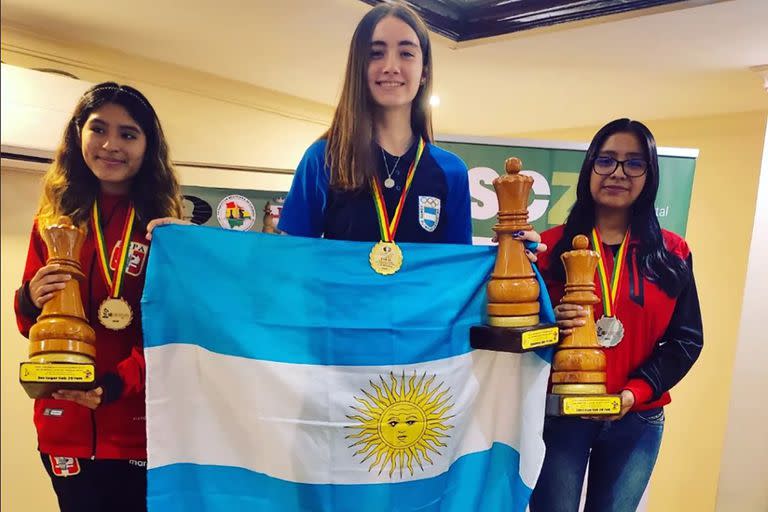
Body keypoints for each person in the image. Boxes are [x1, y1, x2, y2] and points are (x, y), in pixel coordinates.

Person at [14, 82, 182, 512]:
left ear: (148, 146)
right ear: (78, 134)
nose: (111, 145)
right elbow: (30, 328)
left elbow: (168, 335)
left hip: (135, 426)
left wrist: (112, 385)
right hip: (63, 426)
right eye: (98, 129)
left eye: (128, 134)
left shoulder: (162, 230)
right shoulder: (51, 223)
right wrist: (31, 298)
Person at [530, 118, 703, 512]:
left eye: (634, 163)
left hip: (636, 418)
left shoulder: (672, 254)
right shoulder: (548, 248)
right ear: (590, 167)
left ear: (650, 174)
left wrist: (636, 392)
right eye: (606, 161)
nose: (618, 173)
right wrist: (549, 324)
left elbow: (686, 341)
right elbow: (518, 337)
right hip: (561, 416)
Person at [277, 2, 473, 245]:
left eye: (406, 53)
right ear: (359, 66)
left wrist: (514, 253)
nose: (391, 67)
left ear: (424, 72)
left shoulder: (452, 171)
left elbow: (462, 268)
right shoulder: (323, 159)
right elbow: (289, 258)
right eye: (375, 53)